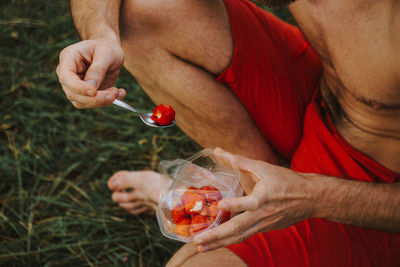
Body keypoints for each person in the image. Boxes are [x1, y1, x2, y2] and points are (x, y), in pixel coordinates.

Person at [56, 0, 400, 266]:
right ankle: (229, 196)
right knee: (144, 9)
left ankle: (215, 202)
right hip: (319, 85)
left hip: (372, 180)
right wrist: (101, 34)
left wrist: (310, 195)